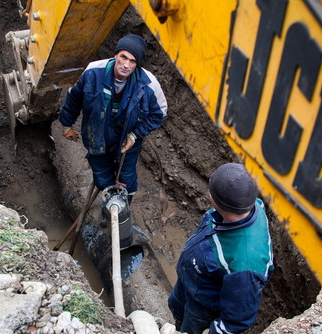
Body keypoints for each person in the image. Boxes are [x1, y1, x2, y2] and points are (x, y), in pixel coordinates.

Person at [58, 34, 167, 201]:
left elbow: (159, 112)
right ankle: (108, 206)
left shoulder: (148, 83)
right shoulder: (93, 72)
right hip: (96, 134)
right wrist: (67, 125)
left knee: (127, 180)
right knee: (102, 175)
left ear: (137, 64)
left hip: (127, 139)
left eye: (132, 61)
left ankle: (123, 209)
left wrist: (134, 134)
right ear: (115, 55)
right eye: (123, 57)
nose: (126, 65)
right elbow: (74, 98)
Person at [168, 163, 274, 334]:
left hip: (203, 306)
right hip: (191, 279)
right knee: (175, 306)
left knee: (189, 328)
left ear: (218, 201)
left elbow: (236, 320)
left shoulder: (245, 265)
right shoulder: (249, 206)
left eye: (211, 191)